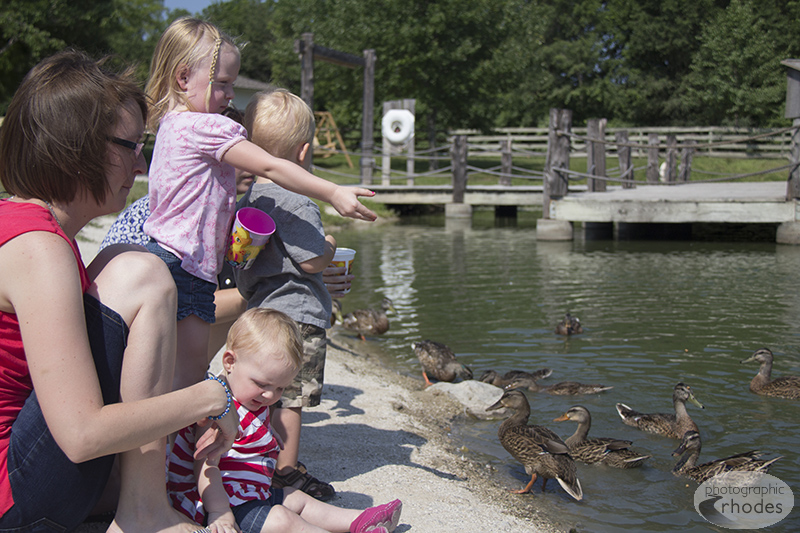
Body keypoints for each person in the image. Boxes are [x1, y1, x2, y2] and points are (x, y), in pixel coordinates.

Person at [0, 49, 238, 532]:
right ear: (79, 149)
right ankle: (144, 512)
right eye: (132, 145)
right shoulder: (39, 250)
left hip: (29, 470)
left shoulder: (27, 226)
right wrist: (213, 396)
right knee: (143, 272)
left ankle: (137, 499)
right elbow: (83, 435)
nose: (142, 161)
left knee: (124, 262)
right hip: (16, 497)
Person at [143, 17, 376, 391]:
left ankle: (175, 429)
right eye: (223, 84)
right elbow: (269, 164)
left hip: (169, 259)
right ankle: (182, 434)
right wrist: (332, 191)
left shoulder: (171, 124)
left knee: (170, 365)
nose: (231, 94)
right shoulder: (206, 127)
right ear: (183, 78)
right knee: (186, 374)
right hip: (188, 267)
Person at [167, 308, 403, 533]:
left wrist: (269, 433)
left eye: (280, 388)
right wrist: (219, 512)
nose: (270, 395)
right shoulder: (217, 408)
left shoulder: (251, 398)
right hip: (217, 504)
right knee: (283, 519)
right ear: (230, 362)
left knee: (296, 498)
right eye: (261, 384)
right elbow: (205, 466)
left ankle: (358, 521)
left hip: (249, 494)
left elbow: (251, 428)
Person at [234, 88, 338, 501]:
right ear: (303, 152)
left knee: (262, 393)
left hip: (260, 312)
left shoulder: (248, 200)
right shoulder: (297, 201)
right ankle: (287, 471)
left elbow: (239, 261)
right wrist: (329, 243)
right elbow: (312, 261)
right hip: (298, 314)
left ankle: (260, 457)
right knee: (290, 397)